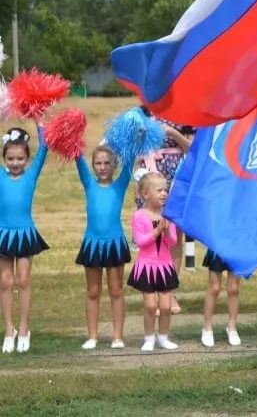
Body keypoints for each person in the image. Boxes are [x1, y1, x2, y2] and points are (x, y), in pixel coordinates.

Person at [75, 142, 134, 350]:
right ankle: (92, 336)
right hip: (92, 244)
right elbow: (77, 158)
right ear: (92, 165)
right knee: (92, 291)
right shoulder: (89, 183)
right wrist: (71, 135)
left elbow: (130, 163)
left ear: (113, 165)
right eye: (98, 163)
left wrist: (134, 140)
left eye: (107, 163)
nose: (102, 167)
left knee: (116, 290)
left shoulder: (120, 185)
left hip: (115, 244)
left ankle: (117, 336)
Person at [136, 121, 192, 315]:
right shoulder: (143, 114)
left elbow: (193, 149)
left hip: (176, 175)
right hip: (149, 175)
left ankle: (170, 291)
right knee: (151, 234)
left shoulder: (184, 112)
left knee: (174, 237)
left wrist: (173, 133)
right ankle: (151, 289)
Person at [0, 124, 47, 354]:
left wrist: (38, 117)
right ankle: (9, 330)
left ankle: (24, 327)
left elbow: (45, 145)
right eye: (10, 158)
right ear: (4, 158)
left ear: (27, 158)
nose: (15, 163)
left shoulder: (31, 175)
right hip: (3, 233)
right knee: (5, 281)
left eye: (20, 158)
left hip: (25, 233)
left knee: (23, 280)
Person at [127, 172, 179, 353]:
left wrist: (166, 232)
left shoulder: (168, 216)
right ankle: (149, 338)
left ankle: (163, 337)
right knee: (150, 305)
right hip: (146, 267)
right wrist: (156, 233)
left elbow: (172, 242)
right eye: (159, 190)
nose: (164, 193)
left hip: (164, 266)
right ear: (146, 194)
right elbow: (140, 241)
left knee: (166, 306)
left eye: (165, 190)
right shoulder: (139, 216)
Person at [200, 250, 241, 347]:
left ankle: (232, 326)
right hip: (217, 248)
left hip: (237, 247)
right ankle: (207, 327)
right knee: (214, 287)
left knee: (234, 288)